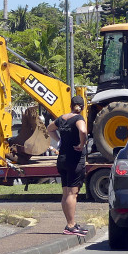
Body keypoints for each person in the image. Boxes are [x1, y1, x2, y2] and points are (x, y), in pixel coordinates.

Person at [47, 95, 89, 236]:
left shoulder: (61, 119)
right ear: (82, 107)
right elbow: (83, 130)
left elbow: (49, 128)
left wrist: (59, 140)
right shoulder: (78, 119)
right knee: (72, 194)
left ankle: (69, 223)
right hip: (74, 160)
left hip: (62, 159)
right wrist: (82, 144)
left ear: (70, 105)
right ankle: (71, 225)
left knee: (65, 193)